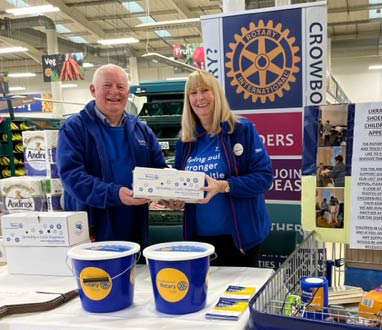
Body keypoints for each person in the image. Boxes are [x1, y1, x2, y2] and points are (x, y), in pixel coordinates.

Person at [57, 64, 166, 248]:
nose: (114, 92)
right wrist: (114, 194)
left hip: (135, 229)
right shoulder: (74, 128)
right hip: (92, 231)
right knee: (96, 276)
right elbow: (71, 177)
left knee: (134, 275)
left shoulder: (141, 130)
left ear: (128, 92)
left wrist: (169, 192)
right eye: (107, 85)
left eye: (121, 87)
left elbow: (159, 170)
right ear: (93, 90)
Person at [172, 70, 273, 267]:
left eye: (204, 90)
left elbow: (264, 177)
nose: (199, 98)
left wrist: (223, 185)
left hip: (239, 239)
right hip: (199, 241)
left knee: (238, 297)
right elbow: (182, 185)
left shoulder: (241, 130)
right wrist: (177, 199)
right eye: (193, 93)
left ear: (216, 93)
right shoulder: (185, 140)